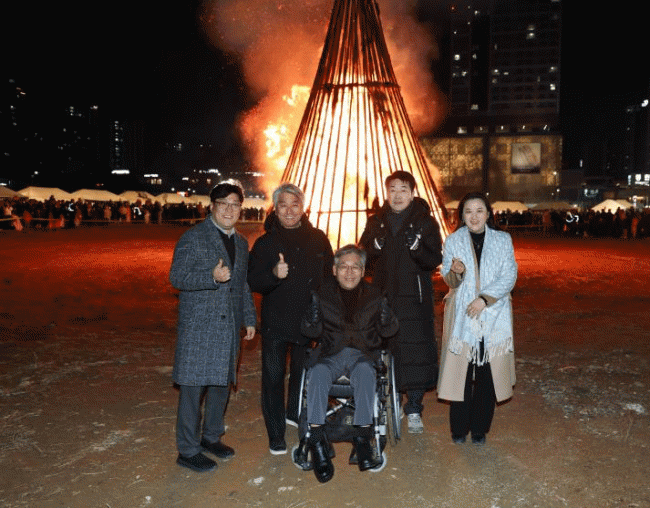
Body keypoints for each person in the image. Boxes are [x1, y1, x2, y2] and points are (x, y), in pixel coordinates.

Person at [169, 181, 257, 472]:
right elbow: (177, 277)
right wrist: (211, 277)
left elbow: (242, 284)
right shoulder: (193, 237)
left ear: (241, 209)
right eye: (223, 204)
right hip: (200, 327)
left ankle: (211, 437)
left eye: (235, 205)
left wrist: (249, 318)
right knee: (193, 391)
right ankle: (187, 449)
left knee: (221, 385)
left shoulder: (241, 242)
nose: (229, 210)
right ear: (212, 207)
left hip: (228, 326)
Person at [295, 245, 399, 483]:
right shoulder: (322, 294)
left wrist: (387, 319)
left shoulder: (376, 295)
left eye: (355, 267)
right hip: (331, 354)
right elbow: (310, 331)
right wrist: (311, 318)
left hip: (362, 354)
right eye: (344, 267)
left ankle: (361, 438)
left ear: (363, 271)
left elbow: (389, 331)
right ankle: (317, 442)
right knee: (317, 373)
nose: (349, 272)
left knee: (365, 372)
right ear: (334, 270)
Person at [247, 183, 334, 455]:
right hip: (276, 322)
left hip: (308, 322)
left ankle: (293, 414)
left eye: (294, 205)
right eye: (282, 205)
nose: (289, 211)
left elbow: (329, 279)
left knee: (301, 373)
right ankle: (276, 434)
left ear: (303, 208)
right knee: (273, 377)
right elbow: (253, 281)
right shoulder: (265, 243)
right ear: (275, 208)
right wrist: (273, 274)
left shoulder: (318, 239)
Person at [359, 171, 443, 434]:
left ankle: (414, 407)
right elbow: (363, 259)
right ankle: (391, 399)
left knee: (416, 350)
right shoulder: (376, 222)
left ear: (412, 193)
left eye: (403, 189)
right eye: (392, 189)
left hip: (415, 298)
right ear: (386, 193)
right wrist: (373, 246)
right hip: (384, 297)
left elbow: (434, 259)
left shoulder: (425, 222)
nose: (397, 195)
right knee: (387, 349)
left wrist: (418, 248)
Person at [437, 192, 517, 444]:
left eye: (479, 211)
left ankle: (480, 428)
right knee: (460, 372)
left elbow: (510, 275)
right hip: (463, 316)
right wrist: (455, 272)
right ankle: (459, 429)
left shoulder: (503, 240)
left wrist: (484, 299)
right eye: (468, 211)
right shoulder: (453, 240)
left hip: (494, 313)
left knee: (487, 374)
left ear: (488, 214)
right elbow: (449, 280)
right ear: (461, 215)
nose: (474, 216)